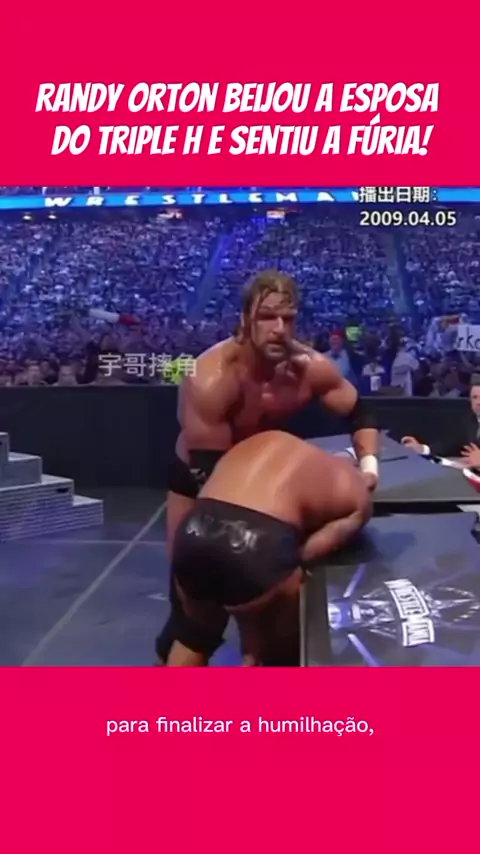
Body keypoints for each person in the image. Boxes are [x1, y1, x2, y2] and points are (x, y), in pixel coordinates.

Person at [157, 270, 380, 666]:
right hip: (200, 481)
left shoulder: (308, 367)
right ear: (245, 319)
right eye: (267, 317)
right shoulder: (210, 377)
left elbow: (360, 413)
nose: (279, 329)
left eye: (288, 318)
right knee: (193, 622)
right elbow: (209, 476)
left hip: (261, 484)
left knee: (264, 631)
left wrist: (369, 466)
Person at [167, 431, 372, 667]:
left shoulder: (266, 443)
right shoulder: (352, 484)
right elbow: (309, 552)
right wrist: (288, 562)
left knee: (194, 638)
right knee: (281, 655)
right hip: (258, 541)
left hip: (195, 530)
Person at [402, 378, 480, 467]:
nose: (478, 402)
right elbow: (450, 445)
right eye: (475, 397)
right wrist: (422, 448)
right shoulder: (469, 421)